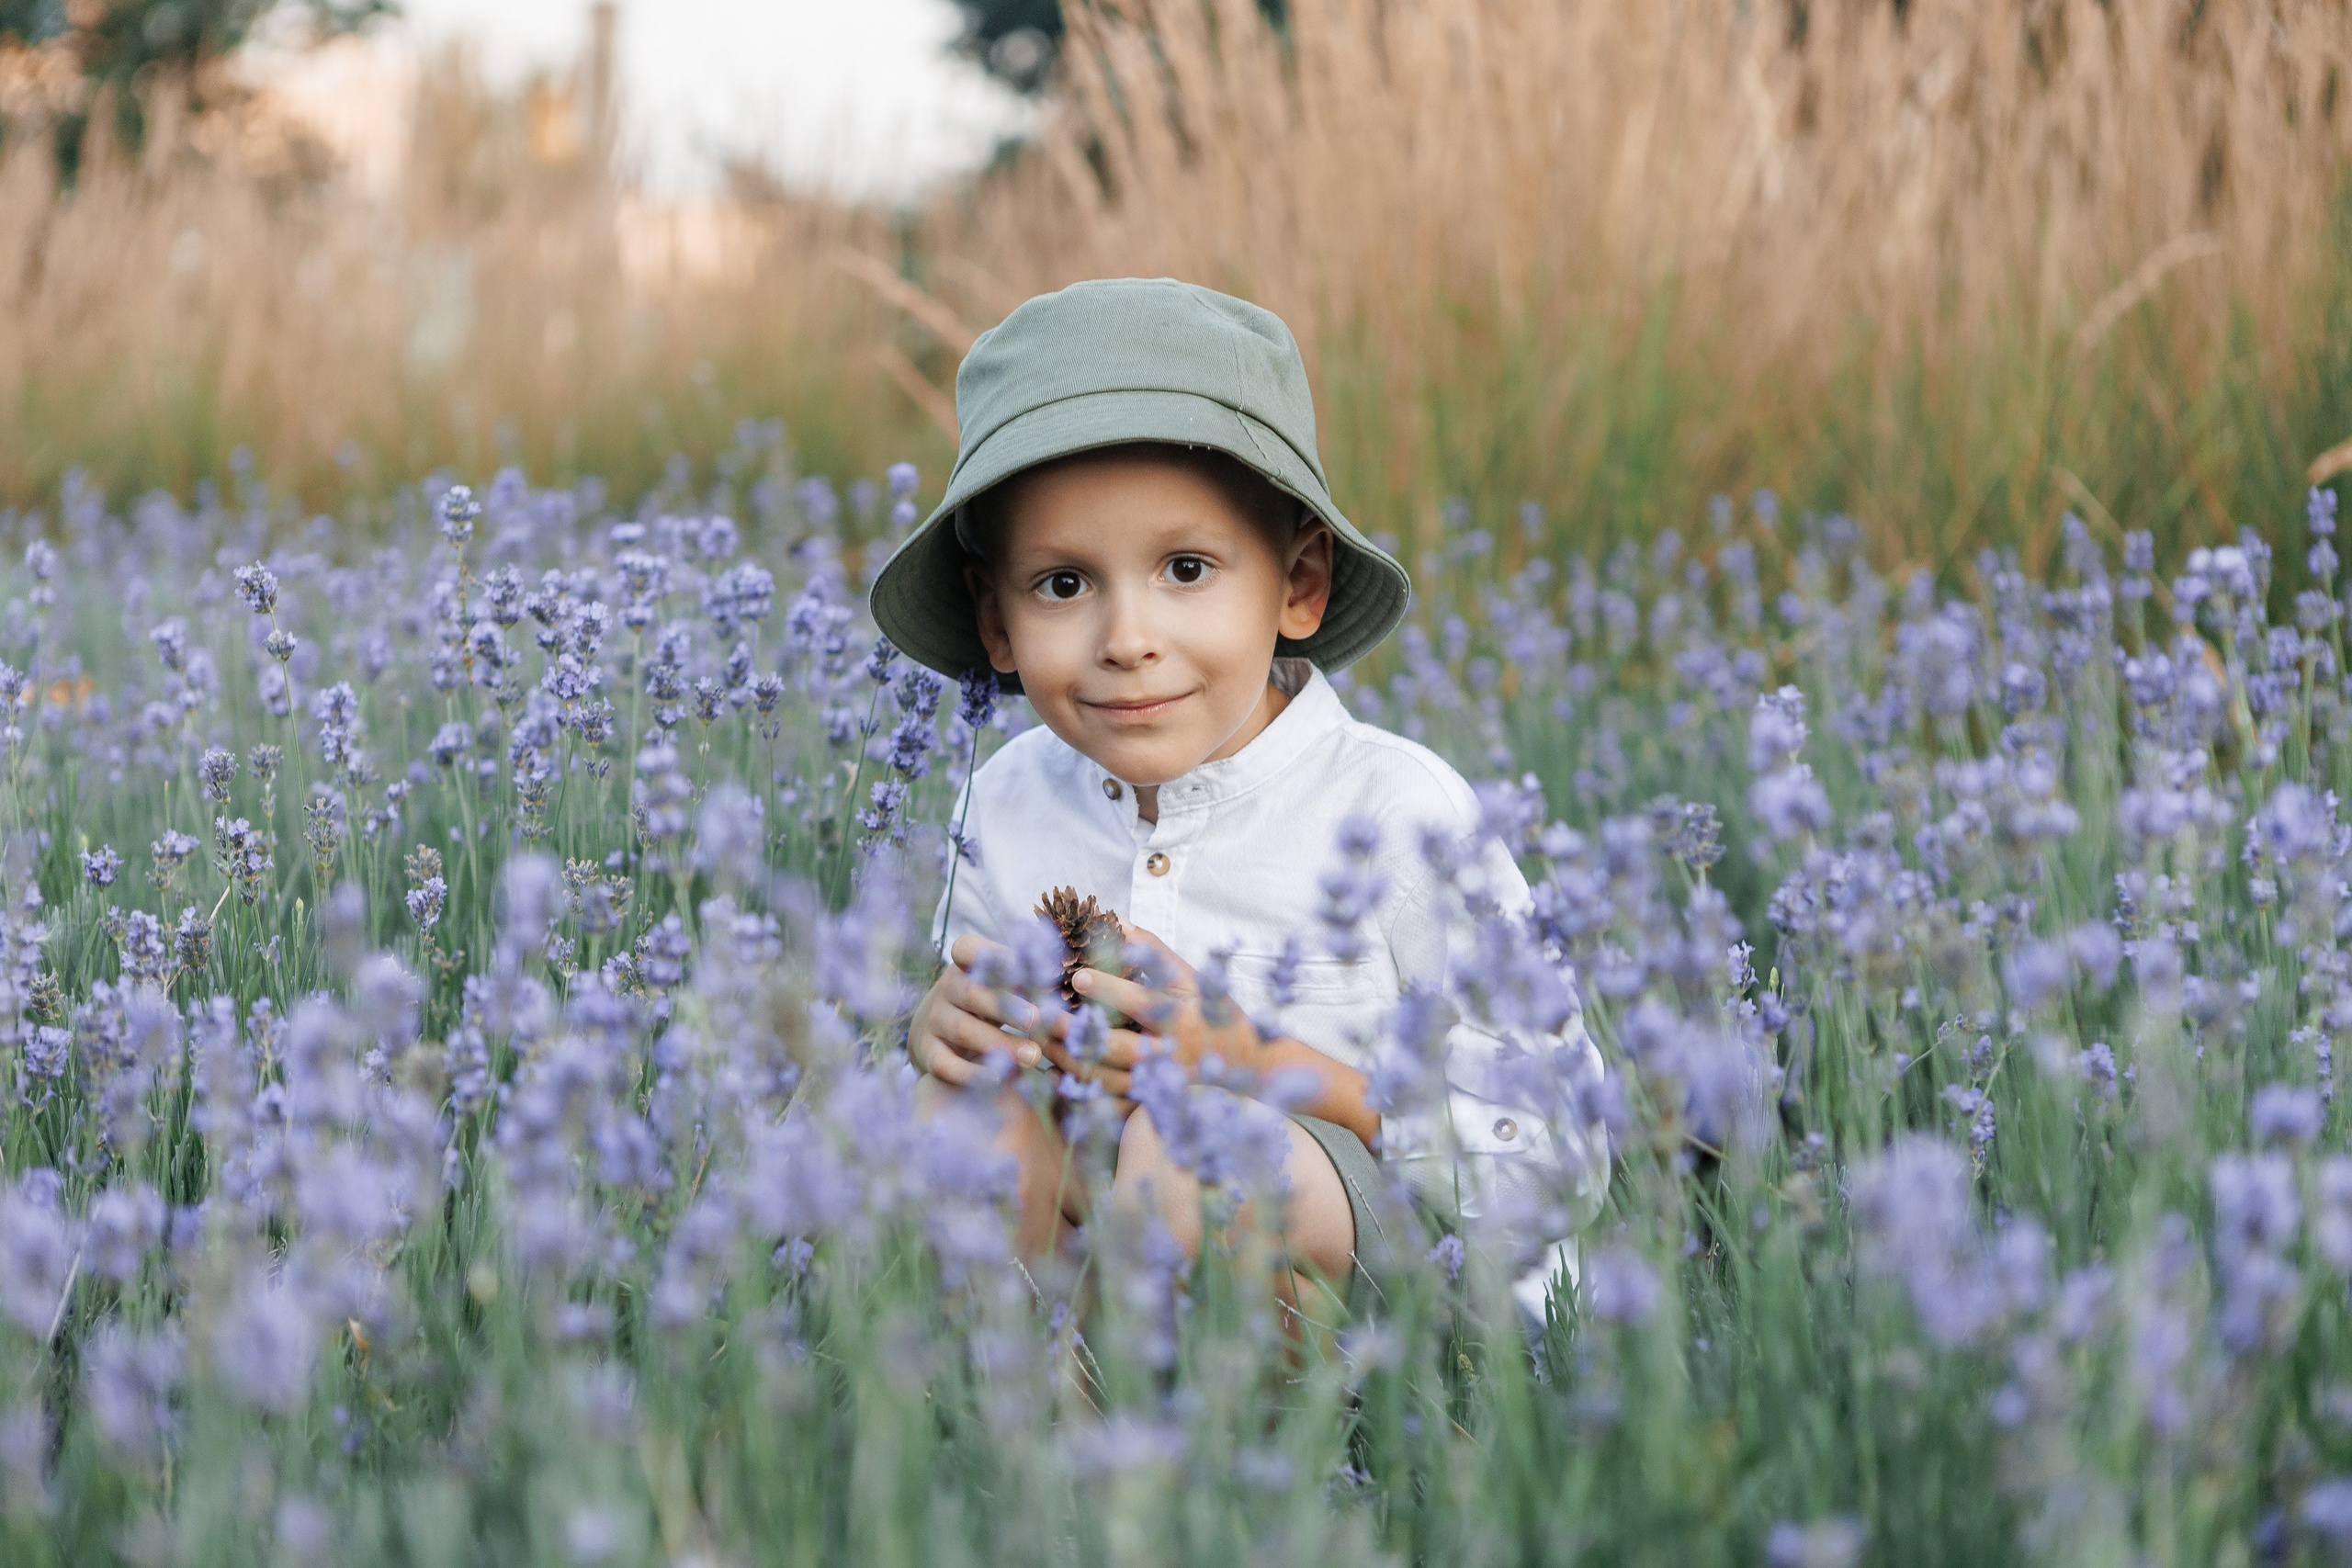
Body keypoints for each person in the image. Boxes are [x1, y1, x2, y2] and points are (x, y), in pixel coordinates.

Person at [874, 276, 1604, 1327]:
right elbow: (979, 1062)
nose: (1127, 639)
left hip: (1386, 1280)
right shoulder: (1007, 799)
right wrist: (940, 1030)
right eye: (1063, 585)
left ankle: (1263, 1465)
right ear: (995, 624)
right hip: (1093, 1242)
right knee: (966, 1118)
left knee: (1193, 1154)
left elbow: (1550, 1152)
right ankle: (1031, 1431)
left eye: (1185, 568)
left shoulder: (1400, 816)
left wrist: (1255, 1062)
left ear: (1297, 583)